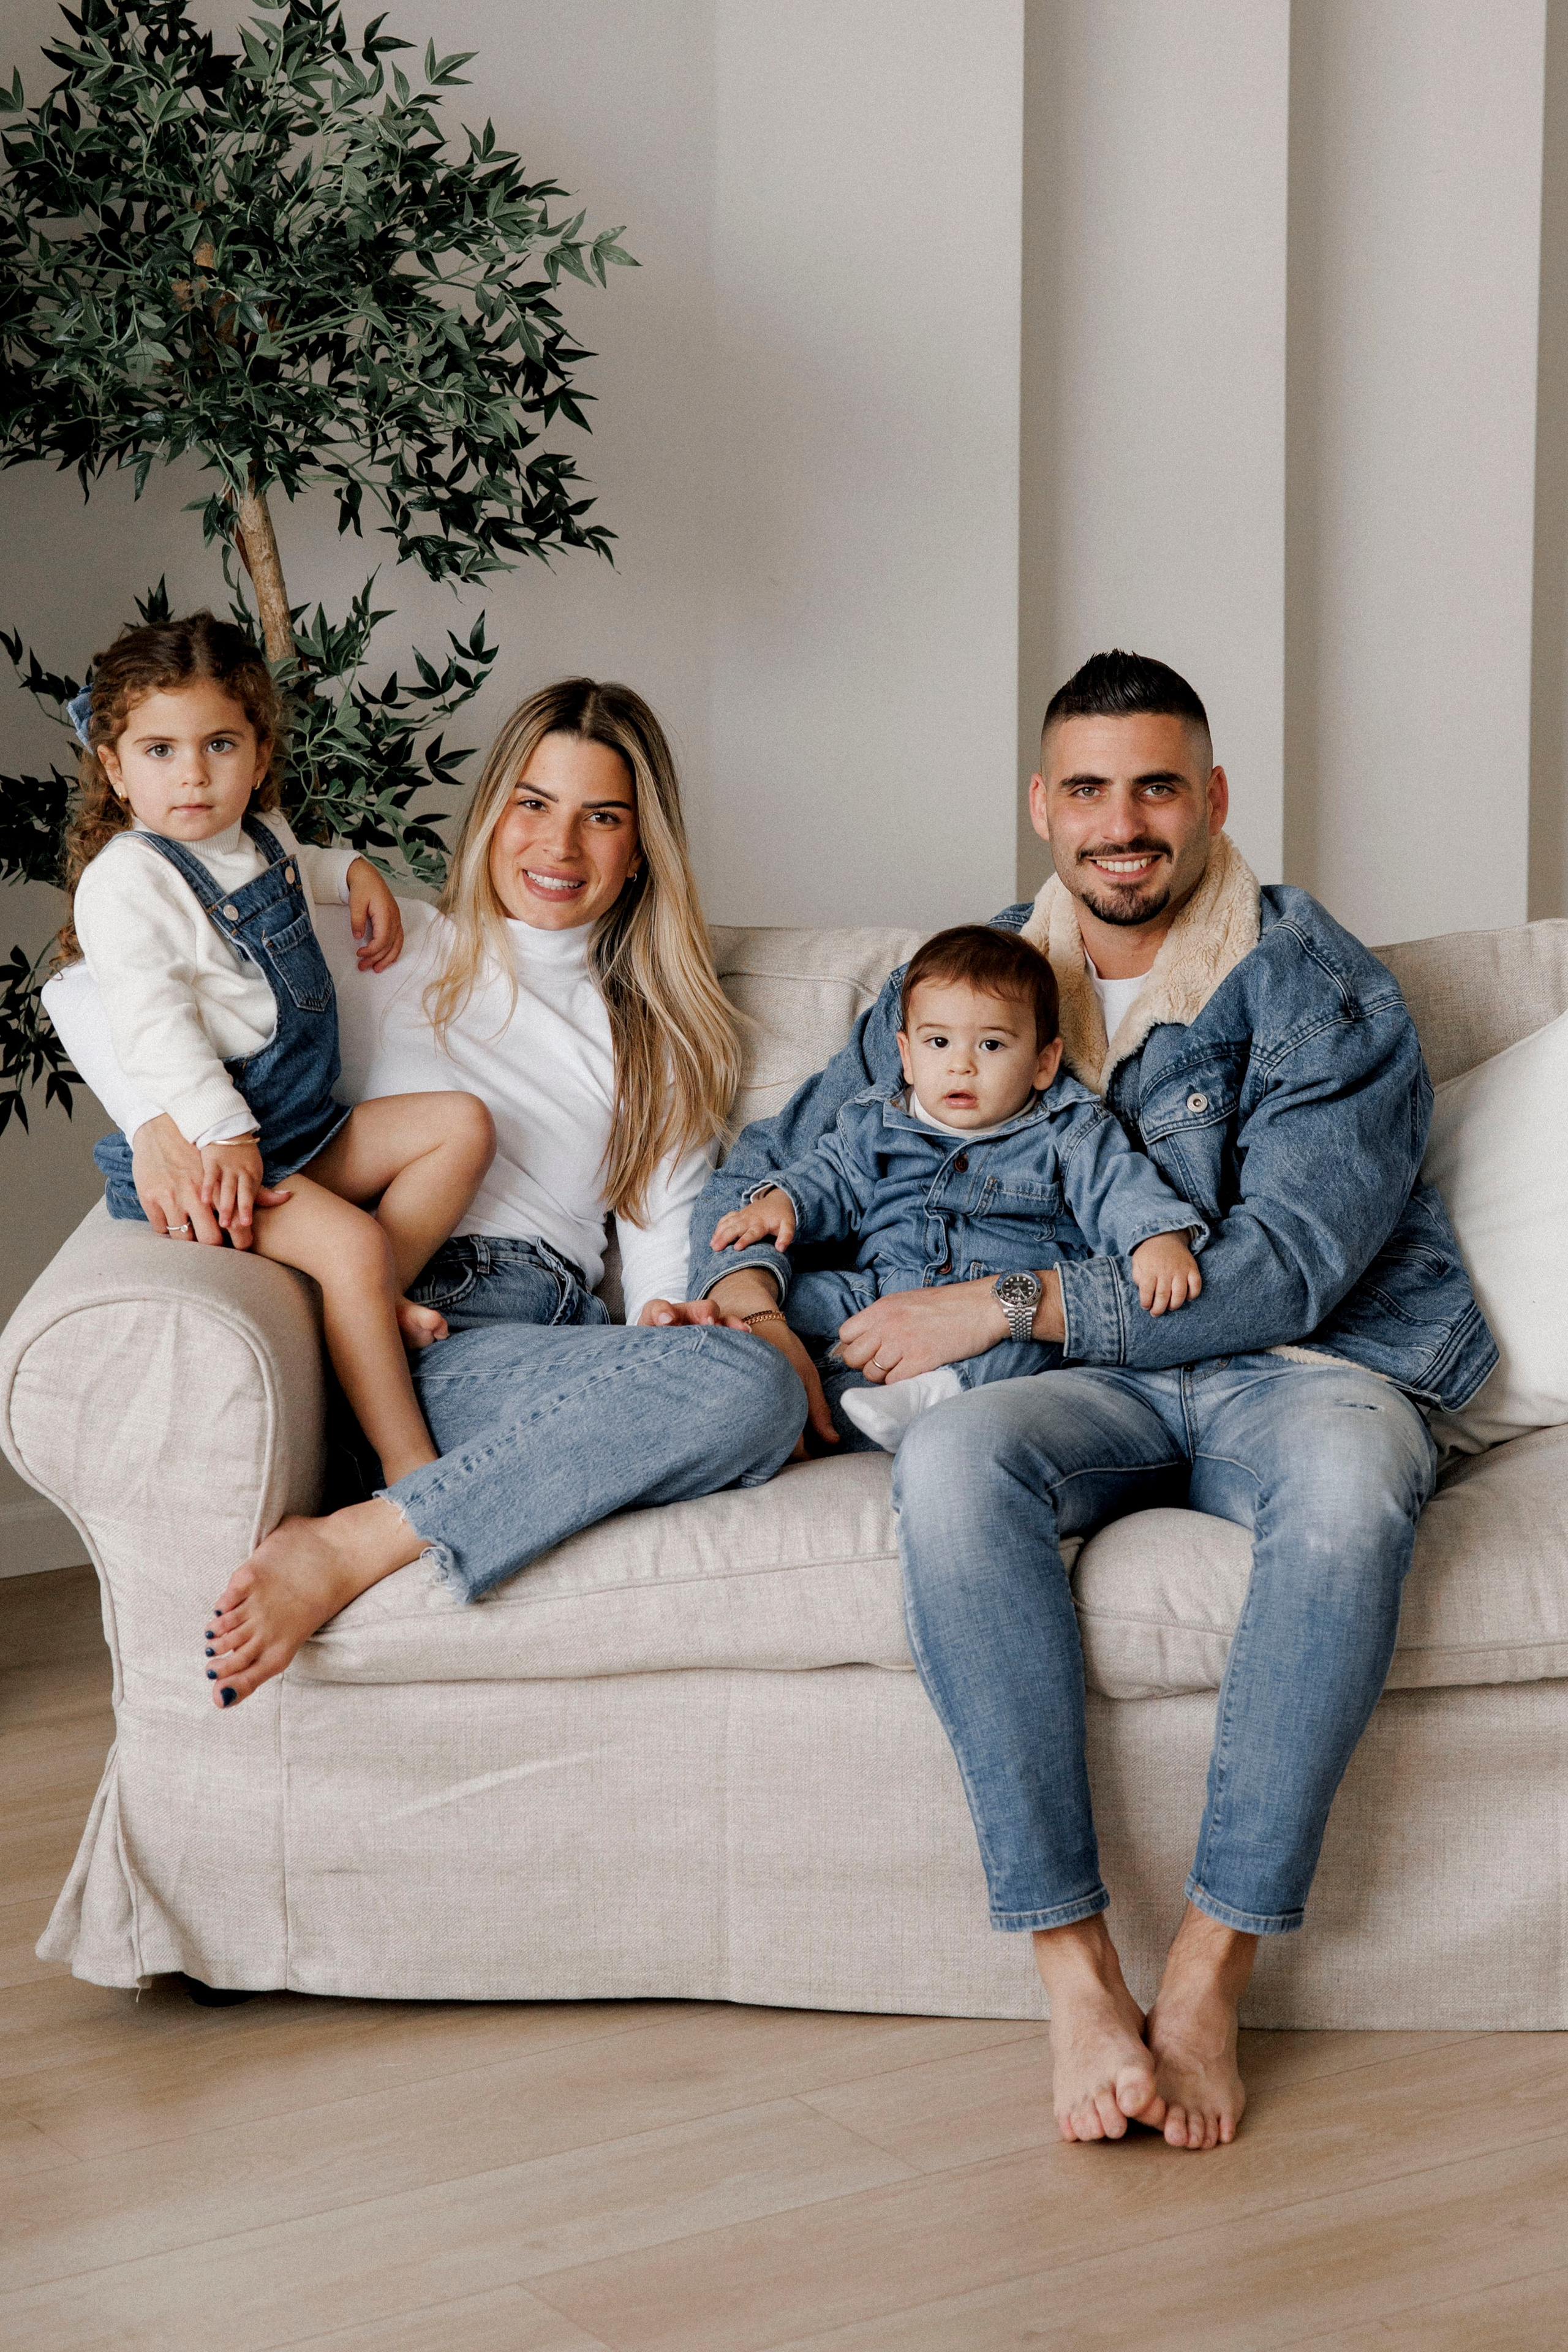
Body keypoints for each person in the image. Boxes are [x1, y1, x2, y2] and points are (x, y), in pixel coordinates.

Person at [682, 650, 1495, 2154]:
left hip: (1300, 1373)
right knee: (950, 1468)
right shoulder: (964, 979)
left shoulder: (1317, 986)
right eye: (1086, 789)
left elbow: (1287, 1269)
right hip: (1069, 1393)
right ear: (1039, 806)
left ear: (1211, 799)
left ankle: (1204, 1975)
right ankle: (1072, 1969)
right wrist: (749, 1304)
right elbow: (771, 1172)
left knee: (1342, 1495)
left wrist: (999, 1302)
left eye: (1155, 787)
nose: (1121, 823)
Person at [46, 674, 808, 1708]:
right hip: (398, 1329)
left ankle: (389, 1527)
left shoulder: (662, 1040)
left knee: (749, 1385)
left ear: (640, 851)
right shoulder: (388, 946)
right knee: (742, 1388)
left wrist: (675, 1319)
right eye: (533, 806)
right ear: (493, 815)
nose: (560, 847)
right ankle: (367, 1537)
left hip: (545, 1337)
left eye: (603, 818)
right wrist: (156, 1128)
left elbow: (662, 1259)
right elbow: (86, 985)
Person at [60, 612, 497, 1489]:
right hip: (226, 1163)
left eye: (219, 744)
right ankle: (410, 1467)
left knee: (461, 1123)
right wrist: (223, 1132)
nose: (193, 774)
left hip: (302, 1126)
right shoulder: (127, 881)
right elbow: (152, 1026)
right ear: (114, 767)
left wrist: (356, 873)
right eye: (159, 751)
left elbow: (302, 866)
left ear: (259, 757)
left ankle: (365, 1305)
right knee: (349, 1248)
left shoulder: (259, 835)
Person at [710, 922, 1205, 1450]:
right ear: (905, 1054)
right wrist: (783, 1202)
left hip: (1000, 1307)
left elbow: (1118, 1187)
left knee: (1042, 1345)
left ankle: (938, 1393)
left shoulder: (1068, 1129)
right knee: (791, 1302)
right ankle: (742, 1373)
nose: (961, 1064)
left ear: (1043, 1063)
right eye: (939, 1042)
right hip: (880, 1291)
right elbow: (829, 1176)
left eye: (991, 1044)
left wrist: (1157, 1238)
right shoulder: (876, 1124)